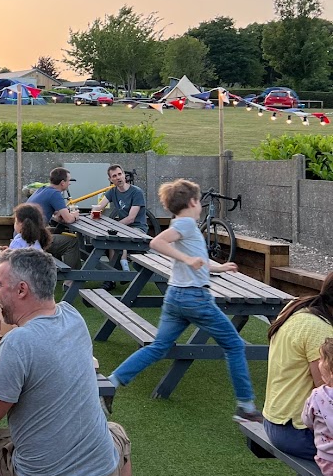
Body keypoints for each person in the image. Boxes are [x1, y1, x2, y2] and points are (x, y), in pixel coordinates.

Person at [0, 247, 135, 476]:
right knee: (117, 432)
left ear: (22, 289)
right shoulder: (73, 317)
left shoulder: (17, 344)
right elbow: (37, 332)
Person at [109, 179, 262, 423]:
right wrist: (188, 260)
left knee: (159, 347)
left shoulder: (182, 225)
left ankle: (111, 382)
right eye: (199, 201)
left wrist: (219, 267)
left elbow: (196, 258)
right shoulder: (187, 225)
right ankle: (246, 406)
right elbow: (156, 242)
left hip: (175, 297)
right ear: (193, 202)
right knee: (235, 345)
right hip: (194, 298)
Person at [263, 272, 333, 458]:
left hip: (276, 419)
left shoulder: (297, 308)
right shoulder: (322, 330)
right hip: (297, 431)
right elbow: (328, 388)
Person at [93, 164, 148, 277]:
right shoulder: (112, 192)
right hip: (122, 228)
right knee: (110, 240)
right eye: (114, 176)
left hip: (138, 228)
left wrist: (113, 226)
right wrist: (94, 210)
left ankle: (121, 271)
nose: (118, 177)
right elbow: (100, 206)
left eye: (120, 174)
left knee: (117, 239)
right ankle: (115, 275)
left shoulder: (137, 192)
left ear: (124, 175)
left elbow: (131, 218)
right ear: (111, 179)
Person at [26, 167, 81, 269]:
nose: (69, 183)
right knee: (72, 242)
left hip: (24, 236)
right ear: (62, 183)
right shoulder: (55, 194)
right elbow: (69, 219)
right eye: (69, 181)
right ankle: (72, 280)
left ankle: (54, 270)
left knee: (58, 231)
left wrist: (61, 215)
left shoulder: (42, 189)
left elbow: (56, 213)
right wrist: (75, 215)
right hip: (33, 240)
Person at [302, 337, 333, 476]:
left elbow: (307, 420)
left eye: (321, 359)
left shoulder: (317, 395)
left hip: (327, 462)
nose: (318, 362)